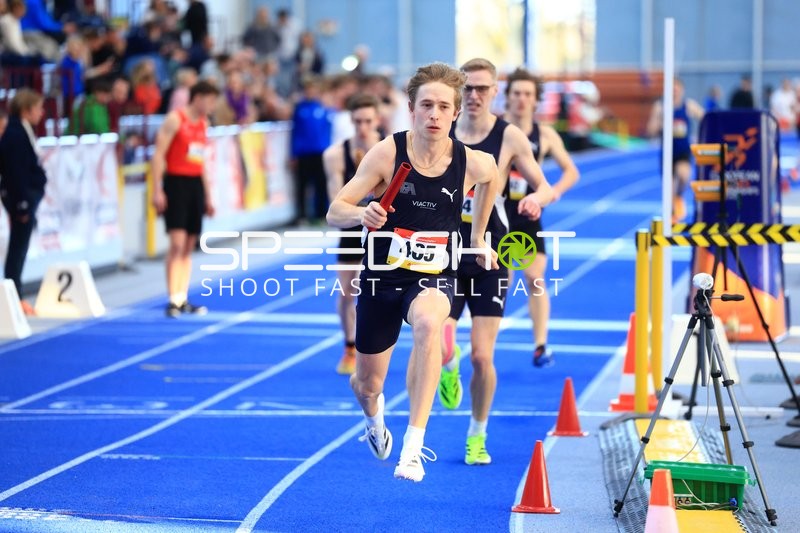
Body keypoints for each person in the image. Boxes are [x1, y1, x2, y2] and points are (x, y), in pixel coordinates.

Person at [327, 62, 499, 482]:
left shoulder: (471, 162)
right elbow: (335, 211)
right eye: (427, 106)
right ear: (411, 109)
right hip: (383, 277)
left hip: (435, 275)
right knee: (367, 385)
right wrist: (361, 213)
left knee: (428, 325)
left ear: (456, 113)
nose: (435, 115)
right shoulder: (388, 153)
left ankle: (413, 446)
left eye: (444, 106)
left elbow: (492, 178)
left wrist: (479, 236)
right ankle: (375, 419)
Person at [438, 58, 553, 466]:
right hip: (444, 255)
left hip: (490, 254)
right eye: (467, 89)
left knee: (483, 357)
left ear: (495, 92)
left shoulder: (509, 137)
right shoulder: (442, 130)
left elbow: (544, 184)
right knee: (438, 337)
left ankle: (477, 435)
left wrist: (537, 198)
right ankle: (446, 364)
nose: (473, 96)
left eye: (482, 89)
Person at [503, 67, 579, 367]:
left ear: (536, 100)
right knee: (499, 283)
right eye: (516, 93)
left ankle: (540, 344)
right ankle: (486, 337)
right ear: (506, 97)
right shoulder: (495, 130)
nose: (521, 99)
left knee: (535, 278)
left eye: (527, 94)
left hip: (528, 215)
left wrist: (552, 191)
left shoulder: (544, 135)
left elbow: (572, 171)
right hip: (496, 214)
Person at [323, 94, 383, 375]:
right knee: (348, 292)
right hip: (352, 226)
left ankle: (374, 347)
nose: (362, 127)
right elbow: (336, 202)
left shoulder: (389, 149)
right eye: (357, 121)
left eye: (368, 121)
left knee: (377, 292)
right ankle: (349, 346)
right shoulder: (335, 155)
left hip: (383, 227)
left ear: (377, 121)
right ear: (351, 121)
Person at [151, 81, 220, 317]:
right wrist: (157, 189)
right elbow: (159, 155)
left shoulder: (203, 123)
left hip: (194, 185)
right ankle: (172, 298)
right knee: (177, 243)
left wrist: (208, 196)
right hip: (175, 183)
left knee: (189, 246)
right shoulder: (175, 119)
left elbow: (201, 164)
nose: (212, 105)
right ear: (197, 97)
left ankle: (182, 296)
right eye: (210, 100)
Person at [0, 89, 46, 315]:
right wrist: (22, 205)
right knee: (17, 250)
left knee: (20, 249)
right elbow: (14, 173)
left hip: (25, 197)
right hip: (21, 201)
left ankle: (14, 295)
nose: (42, 112)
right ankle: (13, 297)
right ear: (26, 110)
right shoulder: (16, 134)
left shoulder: (22, 131)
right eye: (38, 108)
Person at [646, 78, 704, 223]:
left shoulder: (688, 106)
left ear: (682, 91)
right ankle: (672, 216)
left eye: (677, 89)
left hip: (683, 150)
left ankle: (679, 196)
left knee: (684, 175)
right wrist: (660, 120)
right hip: (667, 154)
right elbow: (650, 131)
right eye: (671, 89)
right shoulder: (660, 107)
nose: (674, 92)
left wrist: (702, 135)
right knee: (668, 188)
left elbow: (706, 118)